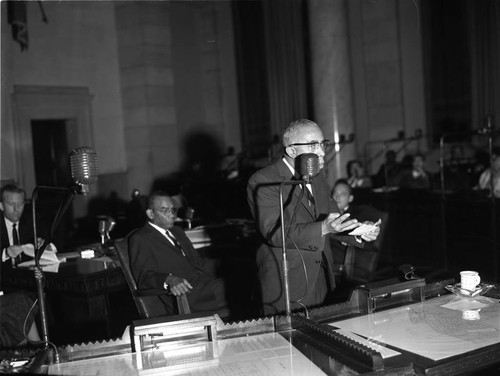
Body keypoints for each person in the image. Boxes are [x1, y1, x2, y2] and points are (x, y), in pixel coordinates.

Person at [247, 119, 380, 315]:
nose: (322, 152)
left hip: (322, 274)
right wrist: (325, 228)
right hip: (286, 280)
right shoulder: (263, 180)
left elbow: (333, 219)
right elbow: (275, 234)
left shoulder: (317, 177)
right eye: (312, 145)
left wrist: (360, 231)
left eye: (322, 144)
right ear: (291, 151)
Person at [128, 191, 229, 315]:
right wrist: (170, 279)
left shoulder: (177, 231)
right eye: (164, 210)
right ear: (150, 213)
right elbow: (145, 278)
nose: (172, 215)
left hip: (205, 285)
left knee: (244, 271)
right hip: (186, 295)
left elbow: (198, 263)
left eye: (173, 209)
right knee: (237, 286)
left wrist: (228, 264)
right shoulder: (140, 238)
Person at [0, 184, 41, 347]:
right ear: (1, 206)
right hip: (3, 286)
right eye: (11, 204)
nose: (17, 209)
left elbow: (57, 242)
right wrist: (5, 253)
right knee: (22, 301)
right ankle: (38, 347)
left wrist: (42, 244)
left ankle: (31, 350)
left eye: (21, 204)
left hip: (21, 281)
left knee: (32, 297)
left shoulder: (30, 220)